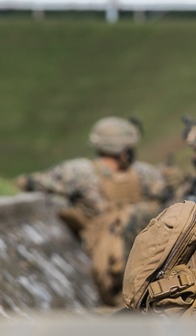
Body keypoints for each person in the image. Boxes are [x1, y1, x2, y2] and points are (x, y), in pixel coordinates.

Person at [16, 116, 171, 306]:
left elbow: (30, 182)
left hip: (106, 248)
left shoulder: (77, 171)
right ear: (125, 148)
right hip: (129, 247)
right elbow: (166, 194)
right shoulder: (144, 172)